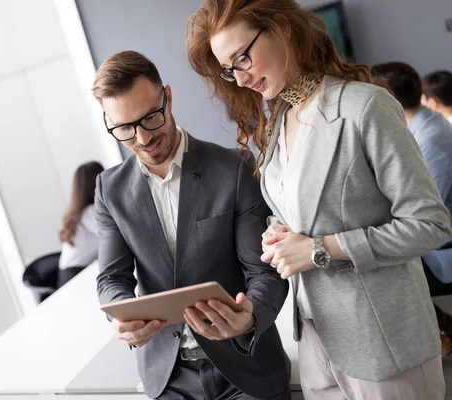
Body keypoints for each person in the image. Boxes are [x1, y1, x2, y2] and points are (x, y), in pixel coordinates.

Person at [186, 1, 452, 399]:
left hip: (383, 343)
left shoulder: (365, 107)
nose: (239, 79)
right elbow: (294, 210)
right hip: (316, 341)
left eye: (243, 58)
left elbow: (430, 225)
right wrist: (278, 233)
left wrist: (320, 249)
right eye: (230, 69)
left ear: (282, 28)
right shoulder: (279, 119)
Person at [93, 50, 290, 399]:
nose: (142, 138)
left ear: (167, 98)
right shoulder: (110, 190)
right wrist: (122, 318)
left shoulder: (233, 168)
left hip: (245, 368)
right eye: (124, 128)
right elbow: (112, 279)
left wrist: (251, 315)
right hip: (169, 378)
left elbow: (264, 271)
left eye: (150, 117)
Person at [373, 62, 452, 355]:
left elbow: (425, 209)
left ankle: (439, 334)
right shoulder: (426, 125)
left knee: (380, 264)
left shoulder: (431, 140)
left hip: (441, 244)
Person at [58, 161, 104, 287]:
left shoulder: (78, 212)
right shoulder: (89, 212)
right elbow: (112, 235)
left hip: (70, 273)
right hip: (76, 276)